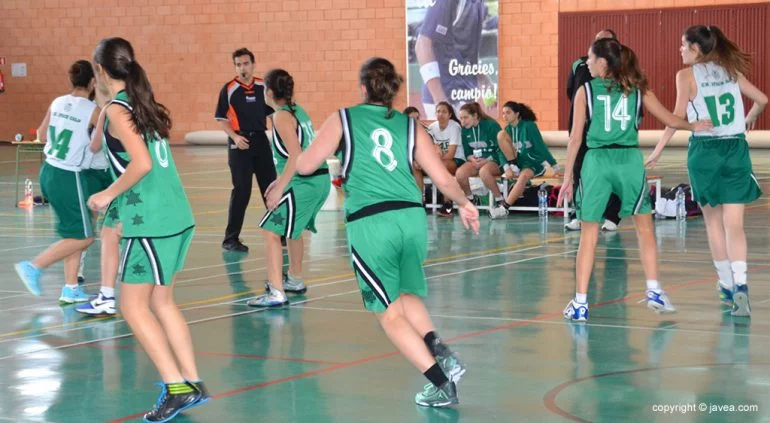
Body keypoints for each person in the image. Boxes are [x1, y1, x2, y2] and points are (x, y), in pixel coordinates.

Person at [296, 57, 478, 407]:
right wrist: (464, 204)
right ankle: (443, 354)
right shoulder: (411, 126)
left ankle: (441, 384)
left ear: (363, 87)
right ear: (393, 91)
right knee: (407, 294)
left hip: (372, 223)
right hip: (411, 219)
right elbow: (441, 177)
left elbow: (305, 165)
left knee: (389, 315)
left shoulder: (343, 118)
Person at [87, 37, 209, 420]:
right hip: (175, 216)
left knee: (132, 307)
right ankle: (191, 381)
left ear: (102, 72)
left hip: (152, 223)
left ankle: (176, 388)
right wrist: (103, 104)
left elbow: (141, 164)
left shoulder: (119, 111)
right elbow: (96, 147)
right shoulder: (138, 107)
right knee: (161, 302)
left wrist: (106, 195)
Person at [557, 38, 713, 322]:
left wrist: (568, 176)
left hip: (597, 162)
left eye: (590, 59)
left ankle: (580, 303)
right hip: (629, 161)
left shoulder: (586, 91)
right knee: (644, 229)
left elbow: (575, 138)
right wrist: (694, 125)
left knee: (589, 235)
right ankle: (654, 290)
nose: (586, 64)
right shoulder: (638, 89)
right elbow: (670, 118)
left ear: (603, 63)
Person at [646, 25, 767, 317]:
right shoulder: (730, 71)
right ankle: (741, 285)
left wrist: (657, 151)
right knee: (734, 225)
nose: (680, 50)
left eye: (683, 45)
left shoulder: (685, 76)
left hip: (706, 152)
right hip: (735, 149)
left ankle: (726, 285)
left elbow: (675, 120)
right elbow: (762, 100)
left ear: (696, 49)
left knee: (714, 224)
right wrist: (750, 116)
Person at [15, 60, 99, 303]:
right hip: (68, 174)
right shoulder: (93, 110)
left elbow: (40, 135)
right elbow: (101, 141)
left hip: (49, 169)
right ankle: (34, 266)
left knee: (73, 233)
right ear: (93, 82)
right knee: (85, 237)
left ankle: (71, 288)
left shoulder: (58, 102)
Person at [247, 69, 330, 307]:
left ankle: (276, 291)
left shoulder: (280, 116)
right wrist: (278, 180)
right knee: (293, 230)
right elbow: (295, 153)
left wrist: (277, 189)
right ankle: (294, 279)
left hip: (306, 181)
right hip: (317, 180)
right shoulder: (298, 110)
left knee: (270, 231)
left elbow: (295, 155)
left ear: (270, 92)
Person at [215, 48, 277, 253]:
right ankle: (231, 239)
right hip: (239, 143)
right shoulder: (229, 89)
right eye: (238, 64)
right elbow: (222, 119)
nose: (242, 68)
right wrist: (234, 137)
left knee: (271, 188)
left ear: (253, 64)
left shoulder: (263, 87)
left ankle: (280, 232)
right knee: (241, 190)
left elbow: (275, 114)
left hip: (260, 140)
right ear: (235, 66)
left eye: (246, 63)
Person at [564, 29, 623, 232]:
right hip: (583, 128)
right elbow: (570, 92)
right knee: (580, 171)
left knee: (613, 174)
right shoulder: (579, 65)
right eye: (597, 41)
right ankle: (580, 214)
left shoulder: (624, 75)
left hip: (610, 134)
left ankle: (612, 215)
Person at [77, 92, 120, 316]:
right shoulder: (95, 115)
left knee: (115, 224)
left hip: (112, 174)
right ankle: (79, 267)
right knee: (91, 223)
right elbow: (93, 147)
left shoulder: (120, 111)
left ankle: (117, 268)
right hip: (93, 173)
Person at [415, 0, 493, 119]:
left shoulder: (479, 4)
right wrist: (441, 102)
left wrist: (484, 79)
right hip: (446, 98)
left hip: (466, 97)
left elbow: (464, 53)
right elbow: (422, 45)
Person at [490, 101, 558, 219]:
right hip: (516, 163)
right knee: (500, 135)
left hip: (532, 163)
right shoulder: (507, 129)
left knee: (523, 176)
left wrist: (554, 165)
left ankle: (504, 208)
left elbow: (540, 145)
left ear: (517, 114)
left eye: (508, 113)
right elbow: (500, 151)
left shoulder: (529, 126)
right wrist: (507, 167)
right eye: (503, 113)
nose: (505, 116)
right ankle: (513, 166)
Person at [454, 102, 504, 215]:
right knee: (460, 174)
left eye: (465, 117)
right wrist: (471, 159)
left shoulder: (491, 126)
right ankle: (471, 200)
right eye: (461, 118)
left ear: (475, 116)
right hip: (476, 161)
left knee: (484, 172)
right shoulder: (465, 130)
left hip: (493, 160)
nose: (462, 121)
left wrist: (486, 160)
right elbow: (467, 151)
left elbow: (500, 149)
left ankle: (499, 201)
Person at [426, 101, 464, 216]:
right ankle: (419, 201)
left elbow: (451, 154)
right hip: (439, 162)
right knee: (416, 166)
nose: (440, 114)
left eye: (444, 112)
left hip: (457, 160)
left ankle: (447, 203)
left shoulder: (455, 127)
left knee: (443, 166)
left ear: (449, 115)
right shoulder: (432, 128)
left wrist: (434, 162)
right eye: (438, 111)